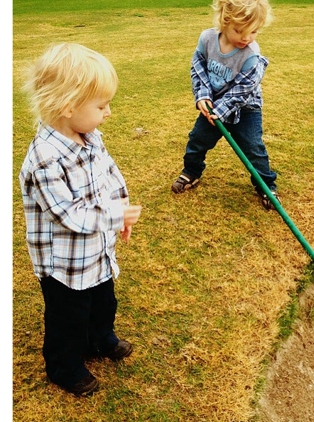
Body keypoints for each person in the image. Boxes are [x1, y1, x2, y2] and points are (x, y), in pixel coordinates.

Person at [19, 43, 142, 396]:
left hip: (95, 251)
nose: (108, 112)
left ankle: (100, 338)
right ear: (68, 105)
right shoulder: (44, 159)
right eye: (101, 105)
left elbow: (110, 173)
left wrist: (122, 208)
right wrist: (113, 215)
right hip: (64, 265)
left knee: (104, 300)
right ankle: (64, 366)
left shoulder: (90, 136)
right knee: (67, 317)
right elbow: (68, 215)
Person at [171, 0, 281, 210]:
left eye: (254, 31)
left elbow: (244, 89)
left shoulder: (251, 55)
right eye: (240, 30)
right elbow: (198, 66)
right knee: (198, 140)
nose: (246, 37)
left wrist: (221, 110)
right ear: (225, 21)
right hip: (212, 106)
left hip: (245, 109)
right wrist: (202, 95)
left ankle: (266, 185)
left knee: (253, 148)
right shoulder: (208, 39)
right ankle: (191, 172)